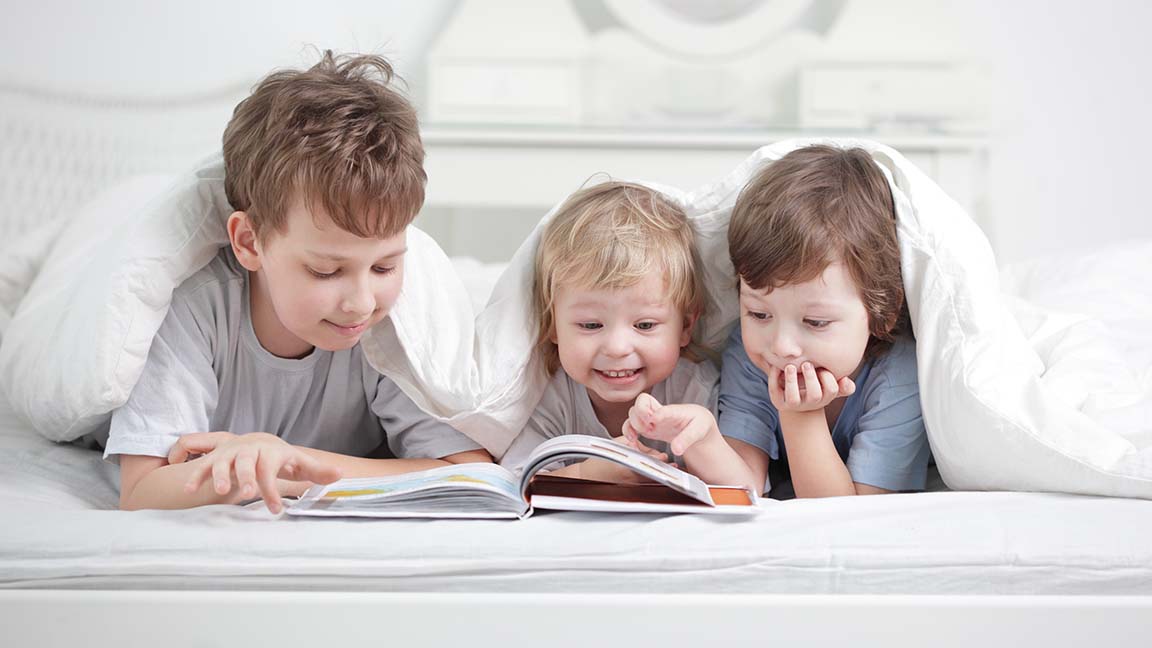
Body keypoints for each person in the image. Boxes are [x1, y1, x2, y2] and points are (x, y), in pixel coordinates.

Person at [106, 52, 491, 513]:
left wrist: (291, 462)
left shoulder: (389, 323)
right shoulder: (194, 309)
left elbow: (473, 473)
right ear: (249, 242)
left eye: (385, 267)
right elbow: (142, 490)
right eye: (326, 271)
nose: (361, 303)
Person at [627, 145, 930, 498]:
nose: (782, 345)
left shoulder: (899, 374)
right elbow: (744, 485)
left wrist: (800, 415)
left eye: (815, 322)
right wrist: (704, 436)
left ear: (884, 309)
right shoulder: (749, 354)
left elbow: (850, 516)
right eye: (758, 314)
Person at [498, 181, 721, 482]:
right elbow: (515, 480)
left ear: (685, 326)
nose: (617, 348)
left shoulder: (697, 390)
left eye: (645, 325)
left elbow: (741, 486)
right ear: (552, 325)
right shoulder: (548, 394)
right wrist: (589, 473)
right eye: (591, 325)